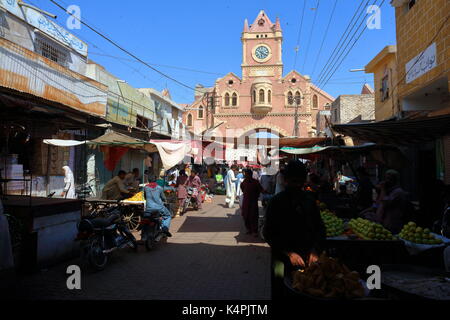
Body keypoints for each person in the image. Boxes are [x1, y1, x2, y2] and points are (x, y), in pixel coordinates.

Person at [264, 160, 326, 272]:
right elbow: (268, 233)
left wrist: (315, 250)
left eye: (298, 181)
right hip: (281, 260)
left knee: (305, 285)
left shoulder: (309, 201)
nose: (296, 185)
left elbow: (320, 228)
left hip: (306, 261)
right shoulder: (276, 202)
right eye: (294, 181)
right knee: (280, 283)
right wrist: (289, 253)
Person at [374, 170, 410, 234]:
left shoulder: (398, 192)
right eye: (386, 178)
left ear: (395, 180)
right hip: (386, 223)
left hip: (393, 224)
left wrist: (383, 189)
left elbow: (385, 203)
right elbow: (378, 204)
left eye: (389, 179)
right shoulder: (389, 191)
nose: (386, 181)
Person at [241, 169, 265, 237]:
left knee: (253, 216)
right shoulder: (244, 182)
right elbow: (242, 189)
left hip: (253, 202)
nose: (245, 175)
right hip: (246, 201)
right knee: (245, 215)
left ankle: (254, 230)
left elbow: (261, 189)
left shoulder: (255, 182)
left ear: (250, 174)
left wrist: (265, 192)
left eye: (246, 174)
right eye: (245, 174)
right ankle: (248, 229)